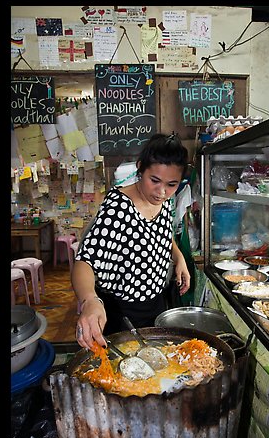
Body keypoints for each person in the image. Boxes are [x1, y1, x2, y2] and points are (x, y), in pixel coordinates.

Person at [72, 133, 191, 349]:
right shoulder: (118, 208)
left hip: (155, 303)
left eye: (171, 184)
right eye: (154, 180)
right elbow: (85, 260)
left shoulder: (163, 201)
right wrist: (89, 300)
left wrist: (178, 257)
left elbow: (161, 232)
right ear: (140, 169)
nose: (162, 191)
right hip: (122, 313)